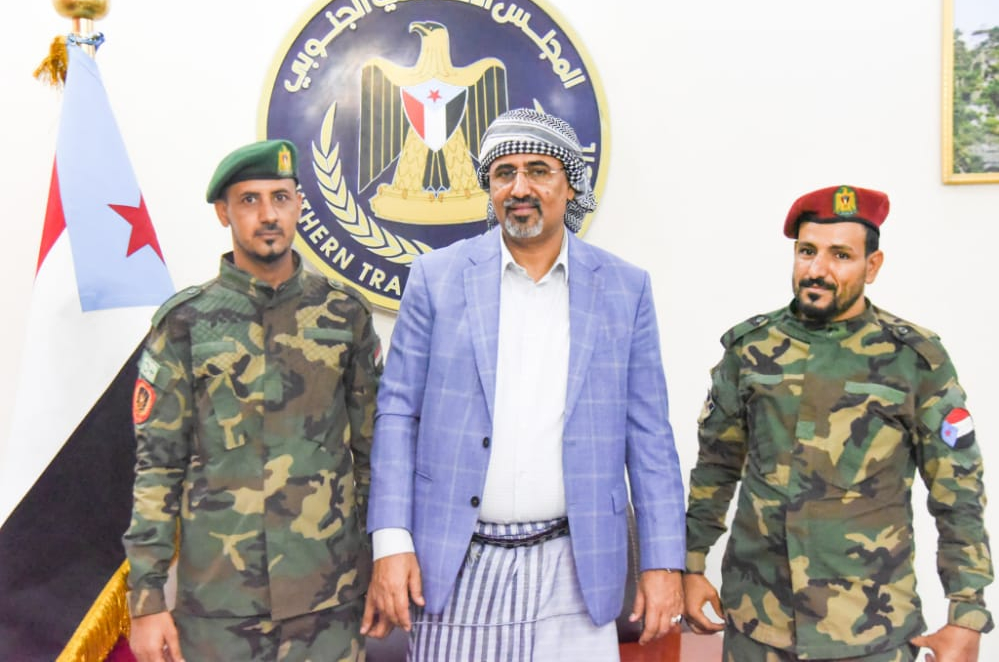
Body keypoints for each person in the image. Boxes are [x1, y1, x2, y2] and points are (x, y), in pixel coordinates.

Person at [360, 108, 686, 661]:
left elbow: (650, 435)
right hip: (455, 566)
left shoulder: (624, 288)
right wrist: (390, 543)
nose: (519, 188)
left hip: (576, 571)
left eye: (538, 170)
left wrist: (662, 562)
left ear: (570, 184)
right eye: (504, 173)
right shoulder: (436, 279)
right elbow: (397, 416)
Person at [683, 185, 993, 662]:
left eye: (841, 255)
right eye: (807, 251)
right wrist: (690, 564)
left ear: (872, 266)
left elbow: (959, 491)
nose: (817, 270)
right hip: (758, 625)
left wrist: (966, 614)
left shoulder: (915, 360)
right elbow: (715, 469)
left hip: (870, 632)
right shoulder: (750, 349)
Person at [122, 140, 382, 662]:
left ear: (299, 205)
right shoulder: (185, 323)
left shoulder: (344, 315)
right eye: (249, 200)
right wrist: (146, 600)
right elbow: (158, 469)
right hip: (220, 607)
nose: (268, 215)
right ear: (223, 212)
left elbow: (375, 456)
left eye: (280, 198)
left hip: (328, 600)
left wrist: (382, 566)